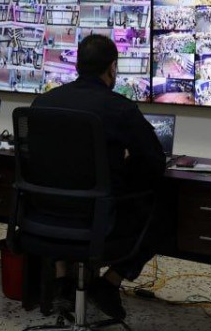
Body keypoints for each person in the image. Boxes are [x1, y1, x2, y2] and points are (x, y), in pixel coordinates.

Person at [31, 34, 165, 321]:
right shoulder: (120, 108)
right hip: (100, 220)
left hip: (45, 218)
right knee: (164, 206)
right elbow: (155, 162)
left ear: (77, 65)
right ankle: (110, 282)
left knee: (65, 195)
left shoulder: (42, 102)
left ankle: (62, 281)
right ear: (112, 67)